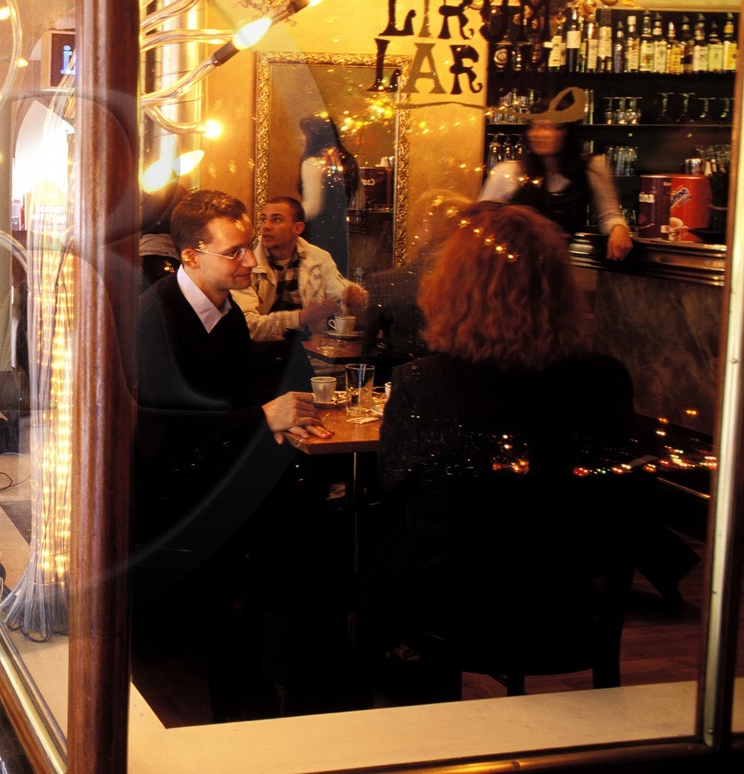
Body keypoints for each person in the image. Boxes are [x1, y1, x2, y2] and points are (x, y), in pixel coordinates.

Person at [364, 203, 645, 698]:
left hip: (457, 608)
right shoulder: (604, 377)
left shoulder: (425, 382)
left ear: (452, 287)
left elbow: (394, 487)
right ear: (559, 287)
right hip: (567, 602)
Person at [135, 190, 331, 719]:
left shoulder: (226, 312)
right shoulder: (155, 319)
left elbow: (239, 400)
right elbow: (162, 440)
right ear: (191, 256)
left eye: (250, 248)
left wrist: (282, 413)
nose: (250, 260)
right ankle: (255, 692)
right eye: (236, 252)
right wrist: (266, 418)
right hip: (169, 493)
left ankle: (293, 680)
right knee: (298, 538)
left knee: (320, 520)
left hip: (216, 472)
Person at [480, 87, 633, 260]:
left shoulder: (592, 168)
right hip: (512, 268)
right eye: (534, 127)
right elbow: (480, 225)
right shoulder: (510, 171)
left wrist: (619, 229)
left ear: (567, 132)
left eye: (547, 127)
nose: (538, 134)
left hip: (557, 267)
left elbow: (610, 216)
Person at [359, 189, 471, 375]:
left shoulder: (385, 282)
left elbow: (366, 357)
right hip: (464, 388)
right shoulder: (478, 286)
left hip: (395, 386)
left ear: (422, 228)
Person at [232, 196, 366, 343]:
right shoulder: (246, 263)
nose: (266, 226)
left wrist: (354, 296)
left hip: (309, 349)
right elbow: (246, 324)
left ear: (297, 228)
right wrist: (301, 317)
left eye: (276, 220)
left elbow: (341, 295)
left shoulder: (318, 258)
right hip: (261, 350)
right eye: (264, 219)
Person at [297, 114, 358, 271]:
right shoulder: (347, 161)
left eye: (303, 133)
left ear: (314, 136)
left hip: (317, 235)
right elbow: (358, 200)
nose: (300, 137)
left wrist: (290, 216)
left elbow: (312, 208)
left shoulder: (312, 163)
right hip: (340, 234)